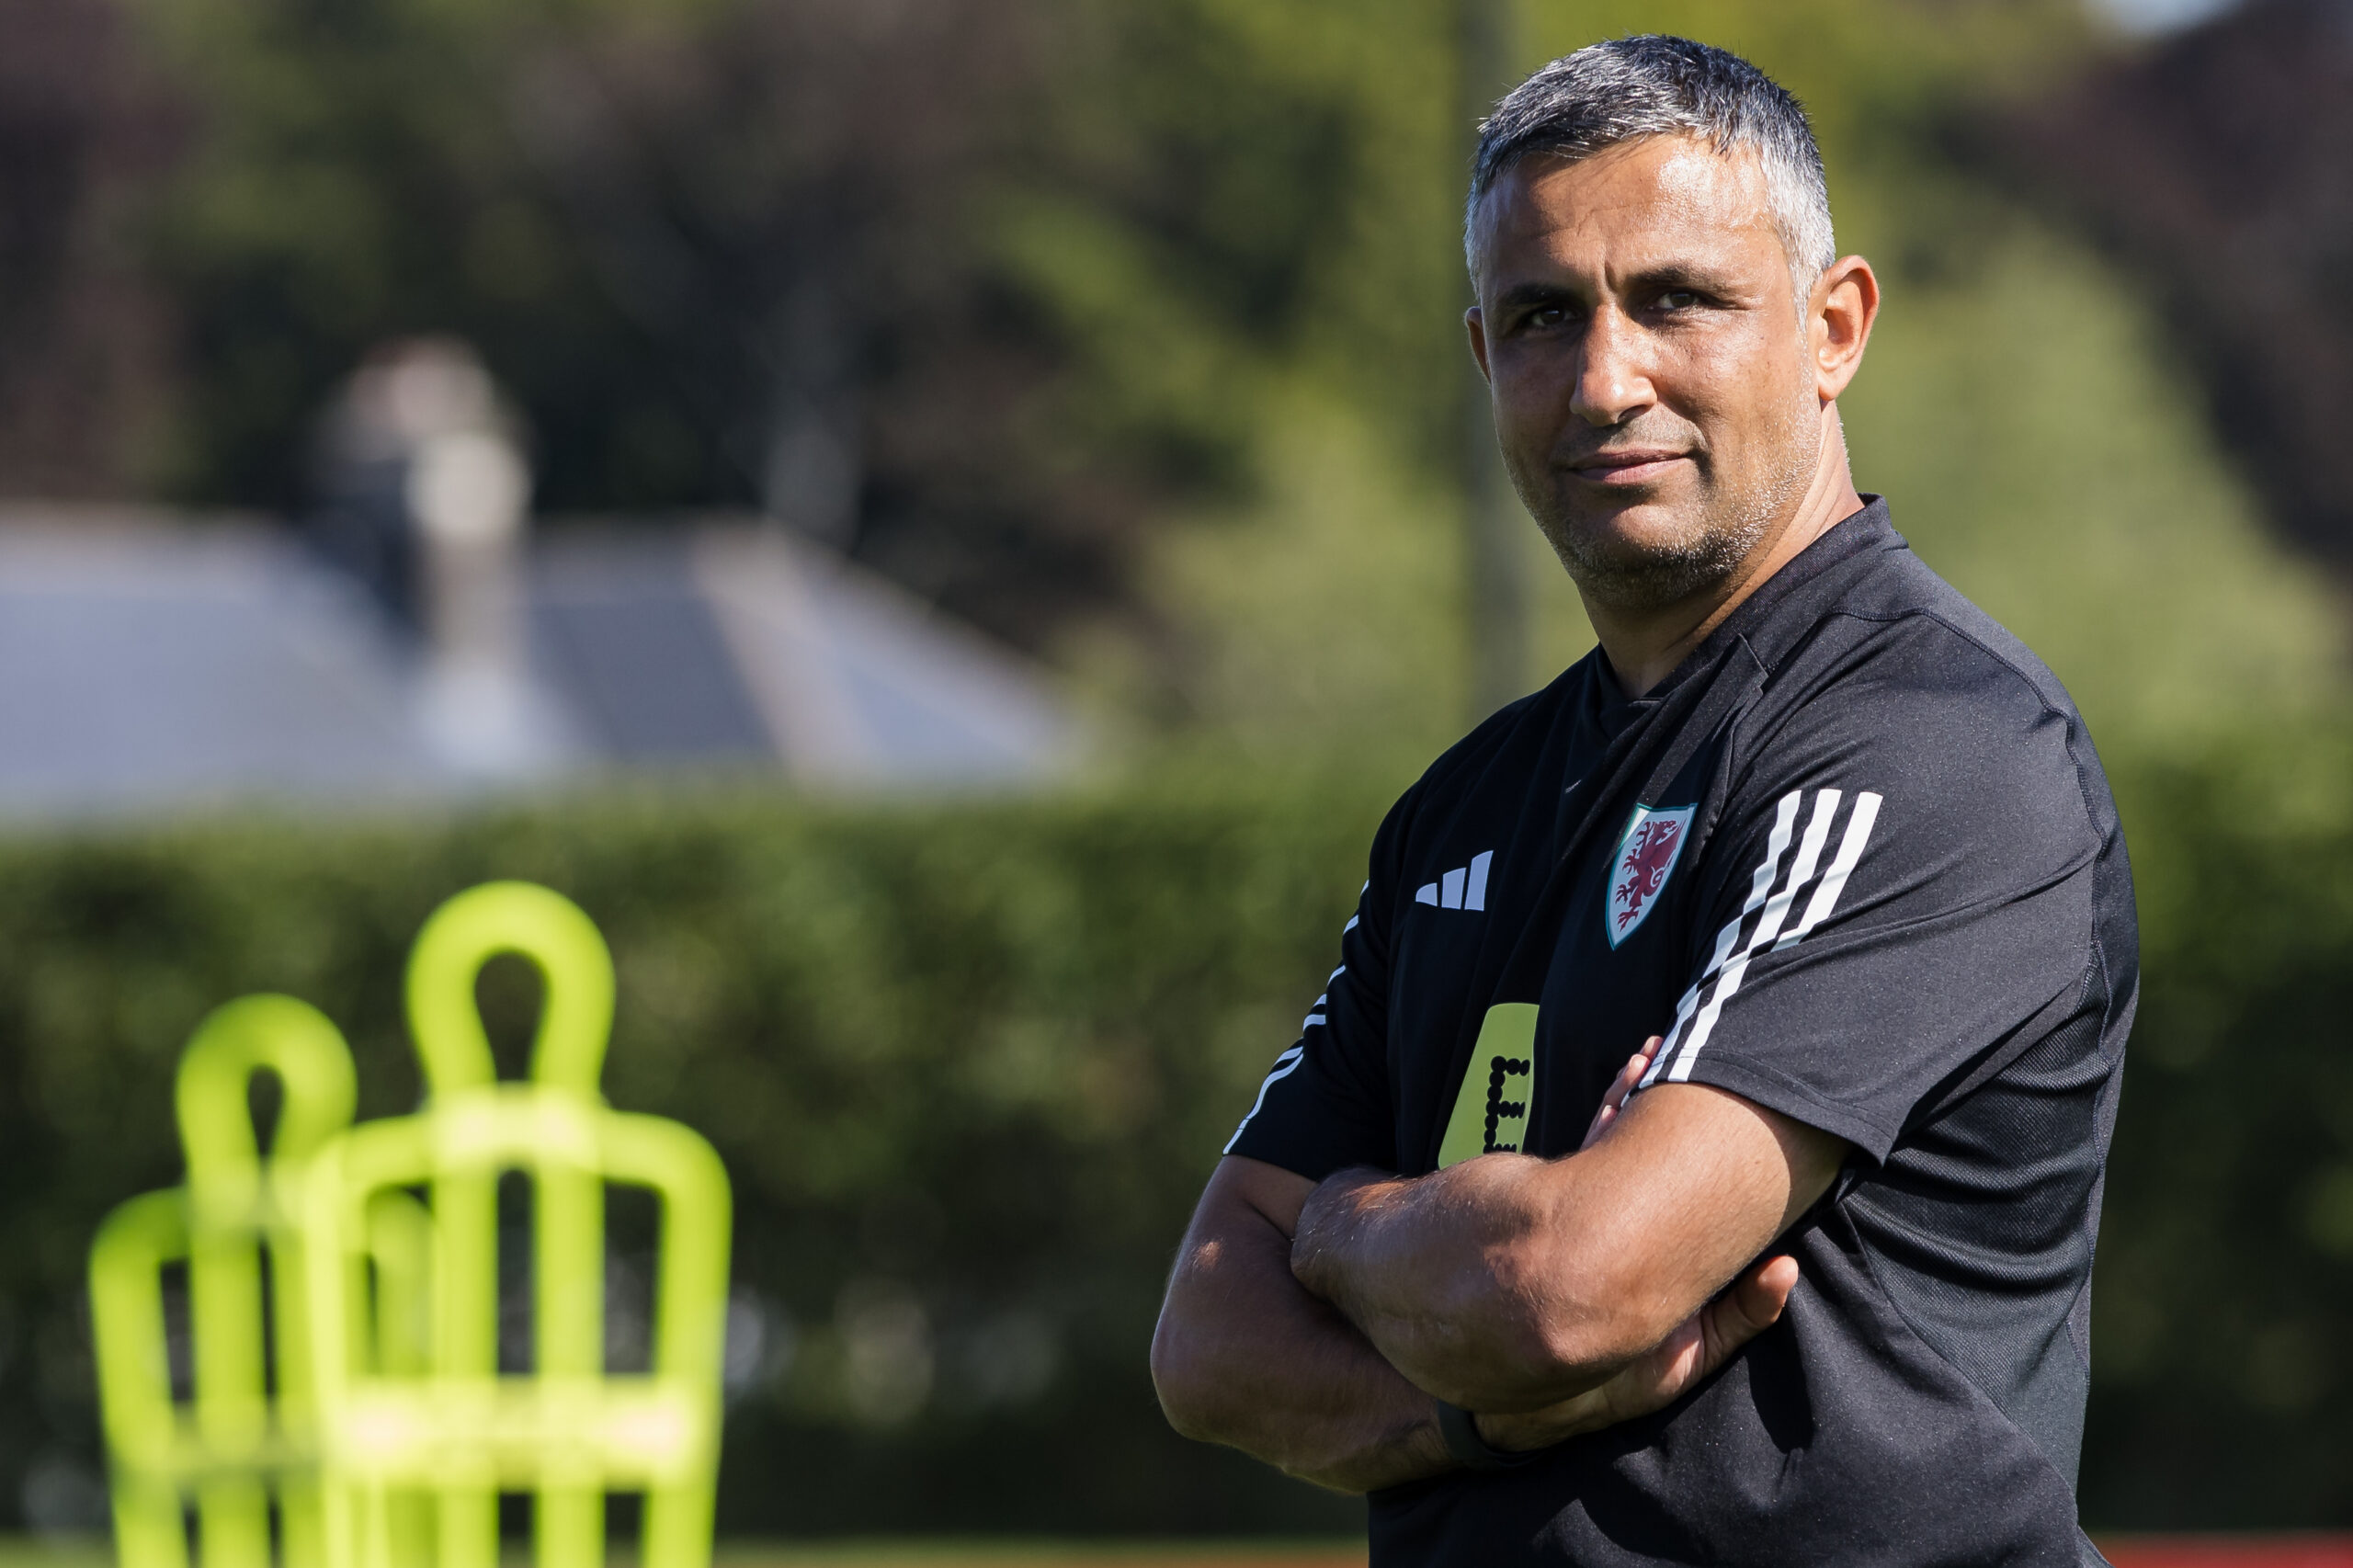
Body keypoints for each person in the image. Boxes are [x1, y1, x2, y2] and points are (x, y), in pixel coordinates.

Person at [1149, 34, 2134, 1568]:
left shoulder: (1936, 748)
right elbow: (1210, 1335)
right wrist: (1471, 1414)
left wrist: (1340, 1225)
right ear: (1484, 357)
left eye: (1678, 299)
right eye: (1543, 316)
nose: (1607, 382)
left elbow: (1568, 1289)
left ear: (1833, 327)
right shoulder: (1459, 812)